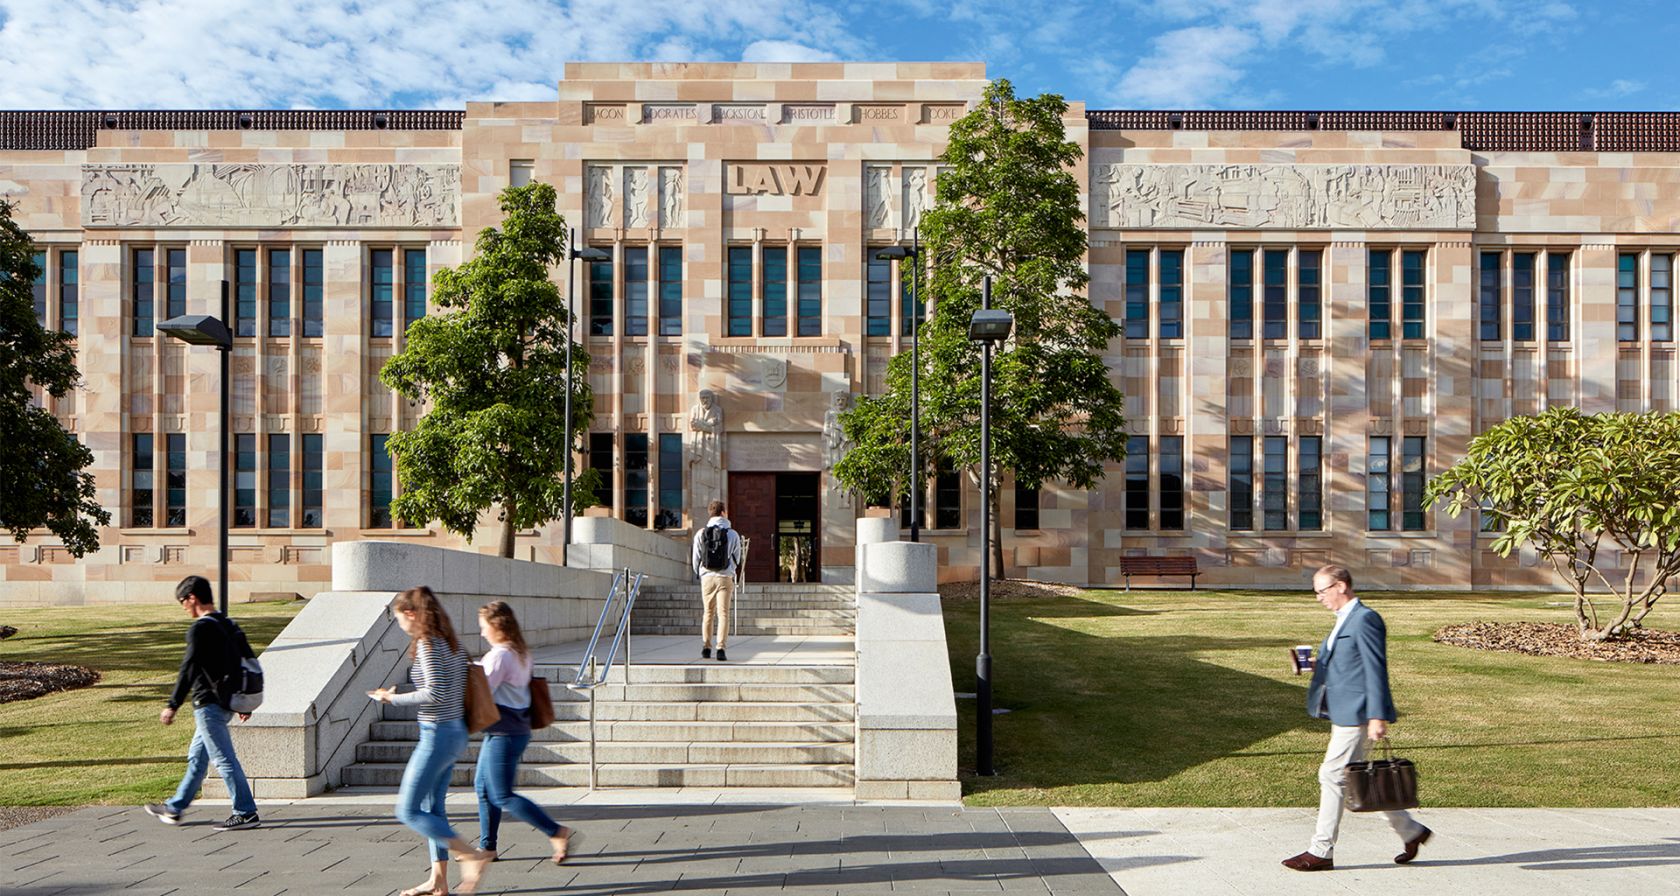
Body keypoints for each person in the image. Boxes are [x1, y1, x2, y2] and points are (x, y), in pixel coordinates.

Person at [1282, 565, 1432, 872]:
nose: (1318, 598)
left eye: (1321, 591)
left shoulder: (1366, 619)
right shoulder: (1343, 620)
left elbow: (1375, 669)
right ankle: (1411, 832)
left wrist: (1377, 715)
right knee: (1360, 778)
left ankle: (1321, 851)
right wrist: (1310, 663)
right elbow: (1345, 662)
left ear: (1340, 586)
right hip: (1342, 709)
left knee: (1332, 775)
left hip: (1358, 712)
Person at [369, 587, 493, 896]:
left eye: (399, 618)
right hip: (454, 732)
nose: (400, 625)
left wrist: (391, 698)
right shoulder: (452, 642)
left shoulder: (426, 644)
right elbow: (450, 688)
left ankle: (470, 854)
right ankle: (438, 883)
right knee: (433, 808)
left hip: (436, 734)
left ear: (411, 613)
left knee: (408, 810)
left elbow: (434, 692)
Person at [143, 575, 261, 831]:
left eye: (182, 601)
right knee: (197, 757)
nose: (183, 607)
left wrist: (172, 704)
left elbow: (189, 669)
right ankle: (175, 807)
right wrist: (245, 703)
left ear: (192, 598)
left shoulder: (200, 628)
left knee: (223, 759)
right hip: (228, 702)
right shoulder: (229, 624)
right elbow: (248, 664)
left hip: (208, 704)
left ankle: (245, 812)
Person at [472, 601, 579, 864]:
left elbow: (483, 690)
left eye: (484, 627)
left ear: (497, 626)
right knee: (483, 787)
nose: (482, 633)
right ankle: (488, 848)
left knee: (502, 794)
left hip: (504, 733)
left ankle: (556, 831)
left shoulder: (500, 655)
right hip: (515, 730)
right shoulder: (520, 652)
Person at [691, 499, 742, 661]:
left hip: (707, 578)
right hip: (725, 577)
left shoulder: (700, 533)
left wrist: (700, 573)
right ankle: (721, 648)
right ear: (722, 513)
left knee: (708, 612)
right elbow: (737, 557)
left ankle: (706, 647)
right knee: (723, 613)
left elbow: (696, 557)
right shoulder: (732, 534)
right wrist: (731, 571)